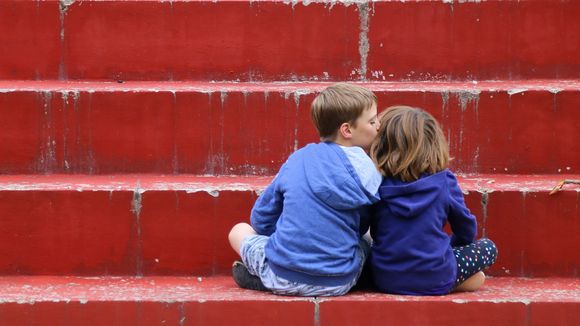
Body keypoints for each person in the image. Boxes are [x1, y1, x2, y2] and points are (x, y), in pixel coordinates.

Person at [228, 83, 382, 296]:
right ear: (346, 130)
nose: (379, 125)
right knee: (365, 238)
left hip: (282, 274)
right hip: (339, 281)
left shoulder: (298, 159)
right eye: (373, 121)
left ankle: (262, 277)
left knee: (238, 230)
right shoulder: (369, 170)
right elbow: (363, 223)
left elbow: (261, 218)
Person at [369, 105, 497, 295]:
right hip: (437, 274)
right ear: (434, 144)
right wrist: (449, 248)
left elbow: (367, 226)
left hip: (386, 278)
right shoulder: (444, 181)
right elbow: (466, 228)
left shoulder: (375, 182)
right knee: (488, 248)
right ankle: (457, 280)